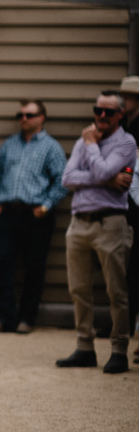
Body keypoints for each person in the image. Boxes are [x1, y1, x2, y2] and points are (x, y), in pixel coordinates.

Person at [57, 91, 136, 374]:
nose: (101, 116)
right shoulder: (84, 140)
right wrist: (107, 179)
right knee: (78, 289)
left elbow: (102, 171)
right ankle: (84, 347)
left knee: (117, 291)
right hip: (79, 222)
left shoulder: (125, 142)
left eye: (108, 112)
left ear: (120, 115)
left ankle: (119, 350)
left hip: (110, 223)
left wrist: (92, 148)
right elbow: (68, 178)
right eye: (97, 110)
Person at [0, 100, 67, 334]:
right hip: (7, 213)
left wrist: (46, 206)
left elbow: (62, 180)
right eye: (20, 115)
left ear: (42, 118)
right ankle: (5, 318)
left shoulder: (51, 147)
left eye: (29, 115)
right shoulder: (9, 144)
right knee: (2, 264)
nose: (23, 119)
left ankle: (26, 319)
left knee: (34, 268)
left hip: (36, 215)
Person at [119, 75, 139, 353]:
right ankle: (124, 324)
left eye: (128, 96)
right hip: (126, 202)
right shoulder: (122, 126)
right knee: (128, 269)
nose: (123, 101)